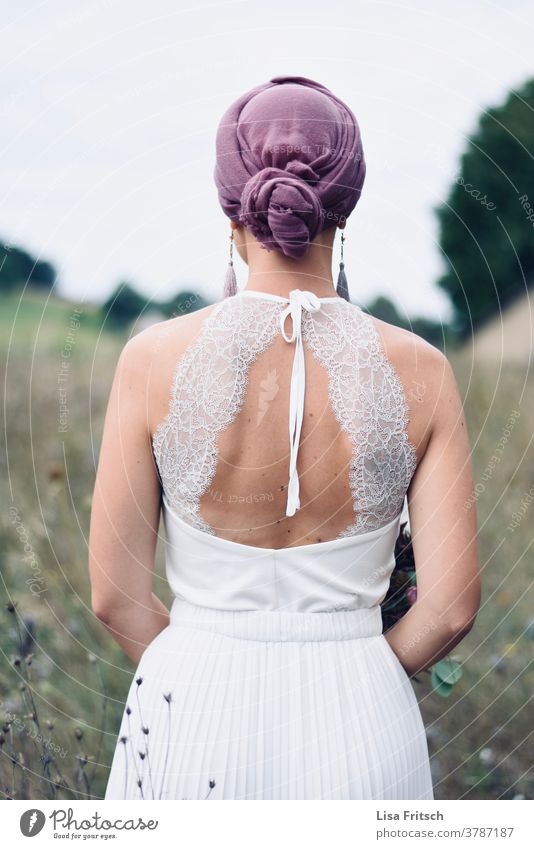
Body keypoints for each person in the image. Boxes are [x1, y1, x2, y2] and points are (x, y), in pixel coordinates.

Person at [89, 75, 481, 800]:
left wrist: (198, 671)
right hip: (363, 719)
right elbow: (452, 606)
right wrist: (355, 672)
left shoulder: (148, 361)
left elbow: (115, 597)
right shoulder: (424, 372)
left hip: (186, 709)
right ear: (345, 210)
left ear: (231, 211)